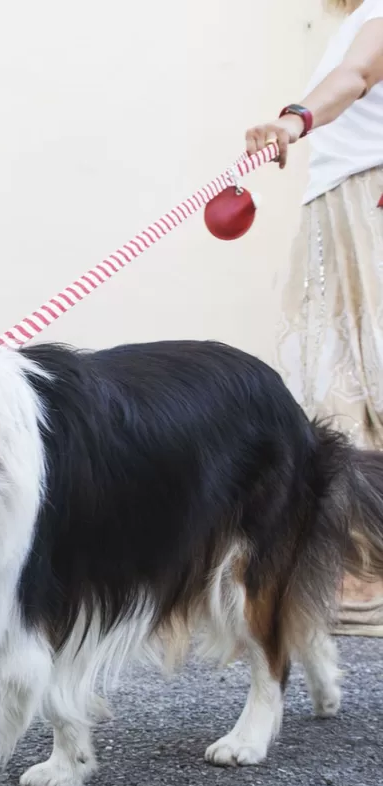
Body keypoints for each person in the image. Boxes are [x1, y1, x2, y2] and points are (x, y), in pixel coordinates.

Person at [246, 0, 383, 634]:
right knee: (342, 377)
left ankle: (369, 570)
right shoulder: (352, 21)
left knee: (362, 374)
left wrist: (295, 119)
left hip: (365, 204)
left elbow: (357, 77)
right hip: (339, 205)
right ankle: (360, 562)